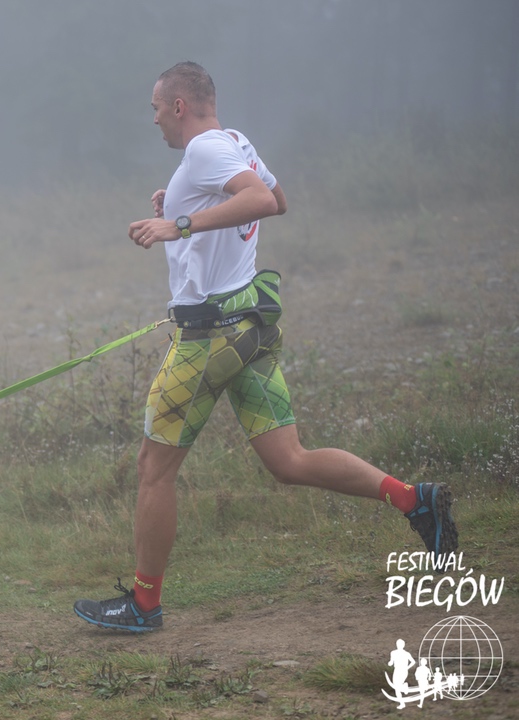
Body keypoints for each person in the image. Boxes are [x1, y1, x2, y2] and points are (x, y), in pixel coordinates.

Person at [73, 61, 458, 632]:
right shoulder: (235, 141)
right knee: (289, 460)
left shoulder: (204, 149)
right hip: (250, 326)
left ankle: (144, 606)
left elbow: (259, 200)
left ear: (179, 105)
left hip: (209, 338)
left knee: (154, 470)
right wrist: (179, 207)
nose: (153, 119)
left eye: (155, 108)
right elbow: (276, 197)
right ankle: (414, 500)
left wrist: (179, 225)